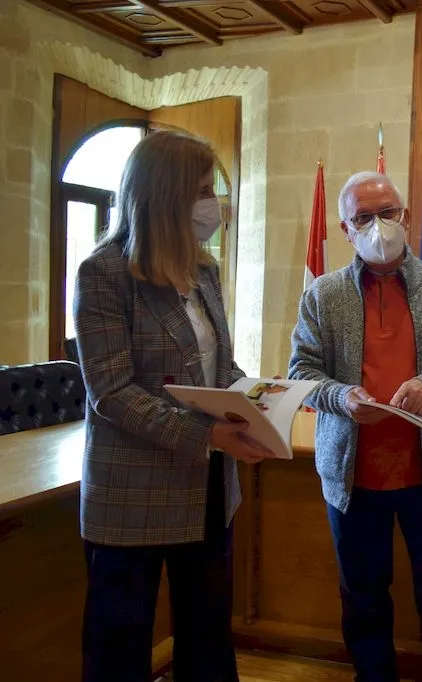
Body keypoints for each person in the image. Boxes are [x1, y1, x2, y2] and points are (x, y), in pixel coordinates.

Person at [73, 130, 271, 682]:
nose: (215, 205)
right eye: (204, 190)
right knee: (120, 647)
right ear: (165, 196)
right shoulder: (105, 273)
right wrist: (208, 434)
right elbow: (110, 392)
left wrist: (260, 401)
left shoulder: (204, 271)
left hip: (207, 487)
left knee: (208, 637)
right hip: (131, 493)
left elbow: (219, 368)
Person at [288, 171, 422, 682]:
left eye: (388, 212)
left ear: (405, 215)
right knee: (363, 599)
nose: (379, 225)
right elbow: (301, 374)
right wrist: (340, 395)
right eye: (363, 216)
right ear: (344, 227)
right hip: (352, 478)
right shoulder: (323, 295)